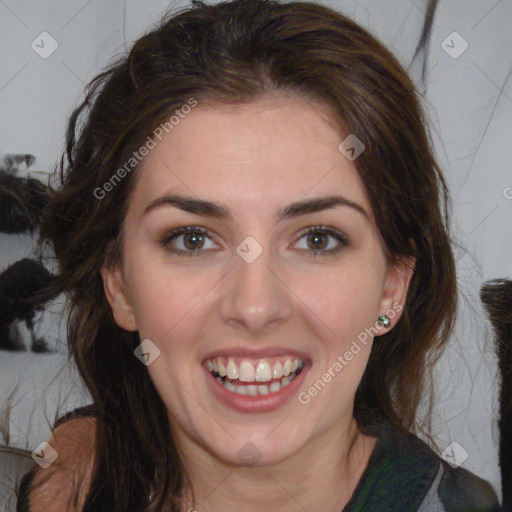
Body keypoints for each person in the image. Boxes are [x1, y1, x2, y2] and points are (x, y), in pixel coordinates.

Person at [16, 0, 502, 510]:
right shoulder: (68, 485)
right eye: (192, 239)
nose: (254, 307)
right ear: (118, 282)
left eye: (318, 239)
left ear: (392, 286)